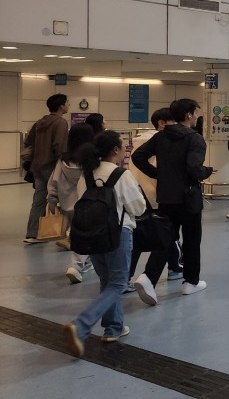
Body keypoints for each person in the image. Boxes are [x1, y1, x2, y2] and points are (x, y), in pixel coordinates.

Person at [62, 130, 147, 357]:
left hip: (90, 235)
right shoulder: (121, 175)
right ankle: (81, 324)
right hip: (118, 234)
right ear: (116, 150)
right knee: (118, 283)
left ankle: (114, 327)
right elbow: (138, 208)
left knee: (107, 281)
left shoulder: (86, 175)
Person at [131, 98, 214, 303]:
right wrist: (207, 171)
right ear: (188, 115)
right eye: (195, 113)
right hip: (188, 197)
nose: (196, 116)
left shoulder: (161, 137)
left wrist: (159, 174)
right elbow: (194, 168)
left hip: (166, 195)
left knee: (166, 237)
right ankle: (190, 282)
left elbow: (138, 157)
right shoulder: (194, 139)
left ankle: (148, 277)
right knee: (192, 239)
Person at [127, 108, 183, 284]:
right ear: (162, 123)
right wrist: (160, 177)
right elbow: (164, 169)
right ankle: (128, 277)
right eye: (174, 122)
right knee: (165, 232)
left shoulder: (137, 142)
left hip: (135, 193)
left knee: (145, 233)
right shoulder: (159, 142)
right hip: (154, 194)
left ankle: (174, 266)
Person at [46, 124, 96, 282]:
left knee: (77, 233)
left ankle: (86, 262)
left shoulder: (63, 159)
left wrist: (52, 199)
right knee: (87, 234)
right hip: (88, 203)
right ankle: (76, 265)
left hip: (68, 203)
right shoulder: (93, 159)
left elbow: (54, 179)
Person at [23, 93, 70, 244]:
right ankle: (64, 233)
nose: (69, 105)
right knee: (64, 199)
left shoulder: (39, 123)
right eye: (67, 103)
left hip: (37, 166)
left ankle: (32, 233)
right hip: (52, 166)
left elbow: (29, 141)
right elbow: (60, 146)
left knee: (38, 200)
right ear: (61, 106)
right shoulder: (61, 123)